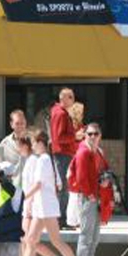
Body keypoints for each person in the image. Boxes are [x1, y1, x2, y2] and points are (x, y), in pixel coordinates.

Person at [19, 129, 86, 256]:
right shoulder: (44, 158)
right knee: (31, 240)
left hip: (46, 207)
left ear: (40, 143)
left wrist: (24, 197)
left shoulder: (43, 159)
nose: (33, 146)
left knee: (53, 241)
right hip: (42, 207)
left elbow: (38, 184)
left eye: (34, 143)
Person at [71, 123, 109, 256]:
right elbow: (81, 177)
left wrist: (105, 181)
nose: (93, 137)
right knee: (86, 236)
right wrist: (89, 194)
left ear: (100, 136)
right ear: (85, 135)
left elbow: (105, 170)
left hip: (97, 196)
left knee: (94, 237)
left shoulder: (98, 152)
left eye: (96, 134)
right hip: (88, 197)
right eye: (90, 134)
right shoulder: (83, 152)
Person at [49, 88, 78, 227]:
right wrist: (75, 136)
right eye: (71, 97)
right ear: (63, 98)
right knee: (64, 186)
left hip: (64, 154)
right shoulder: (60, 114)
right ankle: (61, 219)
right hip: (63, 154)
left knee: (65, 186)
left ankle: (62, 219)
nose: (73, 100)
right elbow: (59, 138)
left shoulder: (60, 112)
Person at [0, 109, 29, 179]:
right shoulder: (4, 144)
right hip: (12, 185)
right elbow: (0, 167)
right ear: (11, 124)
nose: (20, 126)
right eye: (17, 123)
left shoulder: (34, 142)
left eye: (22, 123)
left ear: (26, 123)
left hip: (30, 185)